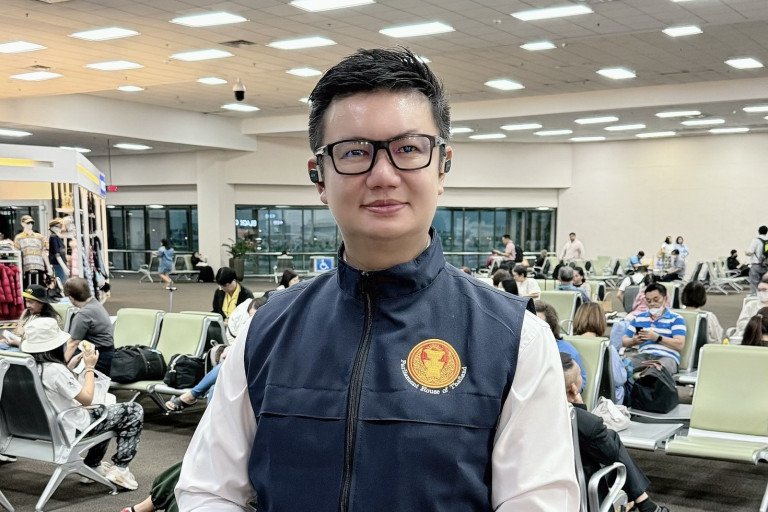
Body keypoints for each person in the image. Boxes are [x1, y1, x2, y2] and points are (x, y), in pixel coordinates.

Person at [177, 47, 578, 511]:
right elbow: (208, 489)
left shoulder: (514, 339)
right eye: (354, 152)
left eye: (408, 149)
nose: (383, 175)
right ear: (319, 177)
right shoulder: (266, 330)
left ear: (442, 166)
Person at [20, 317, 143, 490]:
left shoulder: (25, 367)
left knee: (106, 410)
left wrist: (68, 368)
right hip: (69, 427)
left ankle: (93, 466)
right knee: (132, 410)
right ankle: (120, 469)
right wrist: (89, 367)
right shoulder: (54, 370)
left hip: (40, 428)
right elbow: (86, 398)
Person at [561, 353, 671, 512]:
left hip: (539, 485)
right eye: (580, 375)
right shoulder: (585, 422)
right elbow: (610, 456)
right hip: (579, 490)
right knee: (608, 441)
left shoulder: (531, 413)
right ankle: (645, 503)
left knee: (599, 440)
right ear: (573, 388)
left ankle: (645, 504)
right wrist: (580, 408)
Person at [166, 297, 267, 411]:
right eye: (250, 316)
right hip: (241, 371)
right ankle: (207, 417)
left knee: (225, 367)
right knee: (215, 387)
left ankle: (192, 395)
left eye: (255, 316)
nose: (252, 320)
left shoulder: (271, 332)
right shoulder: (249, 330)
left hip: (258, 373)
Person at [622, 282, 687, 375]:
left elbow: (679, 344)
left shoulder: (676, 319)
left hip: (667, 357)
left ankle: (647, 379)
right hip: (643, 356)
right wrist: (634, 341)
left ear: (665, 298)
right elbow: (624, 340)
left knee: (656, 371)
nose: (652, 304)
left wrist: (657, 338)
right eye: (648, 301)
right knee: (621, 367)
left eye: (656, 300)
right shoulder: (639, 318)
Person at [572, 303, 627, 404]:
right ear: (601, 321)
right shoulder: (606, 347)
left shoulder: (569, 343)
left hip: (574, 396)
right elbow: (619, 379)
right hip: (600, 400)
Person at [63, 277, 115, 375]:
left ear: (71, 298)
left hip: (98, 358)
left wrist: (61, 365)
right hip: (107, 353)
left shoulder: (83, 314)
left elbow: (73, 344)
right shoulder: (95, 304)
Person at [534, 300, 586, 390]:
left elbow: (578, 384)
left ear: (551, 328)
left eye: (538, 325)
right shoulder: (520, 349)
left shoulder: (566, 351)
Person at [1, 285, 62, 351]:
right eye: (26, 301)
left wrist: (19, 343)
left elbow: (45, 346)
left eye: (31, 302)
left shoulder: (52, 320)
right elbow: (17, 332)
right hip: (18, 345)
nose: (28, 305)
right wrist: (7, 339)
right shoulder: (27, 313)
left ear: (42, 303)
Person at [734, 274, 768, 339]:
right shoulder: (751, 305)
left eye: (764, 290)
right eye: (759, 290)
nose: (761, 292)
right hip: (751, 337)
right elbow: (741, 323)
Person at [745, 226, 768, 295]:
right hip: (765, 265)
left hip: (756, 265)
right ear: (766, 232)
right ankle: (764, 297)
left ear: (758, 231)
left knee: (754, 282)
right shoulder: (767, 241)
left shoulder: (756, 240)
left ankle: (754, 295)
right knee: (764, 283)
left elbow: (750, 252)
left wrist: (746, 252)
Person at [48, 218, 70, 284]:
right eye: (57, 226)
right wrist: (64, 267)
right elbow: (56, 254)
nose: (59, 228)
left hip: (60, 264)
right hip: (58, 264)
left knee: (63, 282)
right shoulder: (53, 237)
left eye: (60, 226)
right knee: (61, 283)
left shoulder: (56, 237)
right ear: (52, 227)